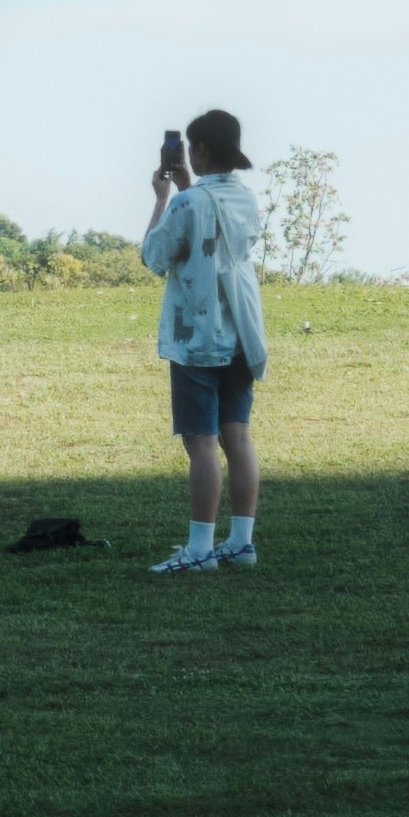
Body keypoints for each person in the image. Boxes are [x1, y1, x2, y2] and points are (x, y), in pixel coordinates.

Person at [139, 111, 266, 576]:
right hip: (241, 332)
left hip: (197, 334)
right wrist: (189, 189)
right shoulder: (246, 198)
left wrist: (163, 196)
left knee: (203, 445)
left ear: (202, 149)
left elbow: (155, 255)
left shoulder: (185, 203)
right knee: (237, 434)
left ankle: (198, 549)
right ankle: (240, 542)